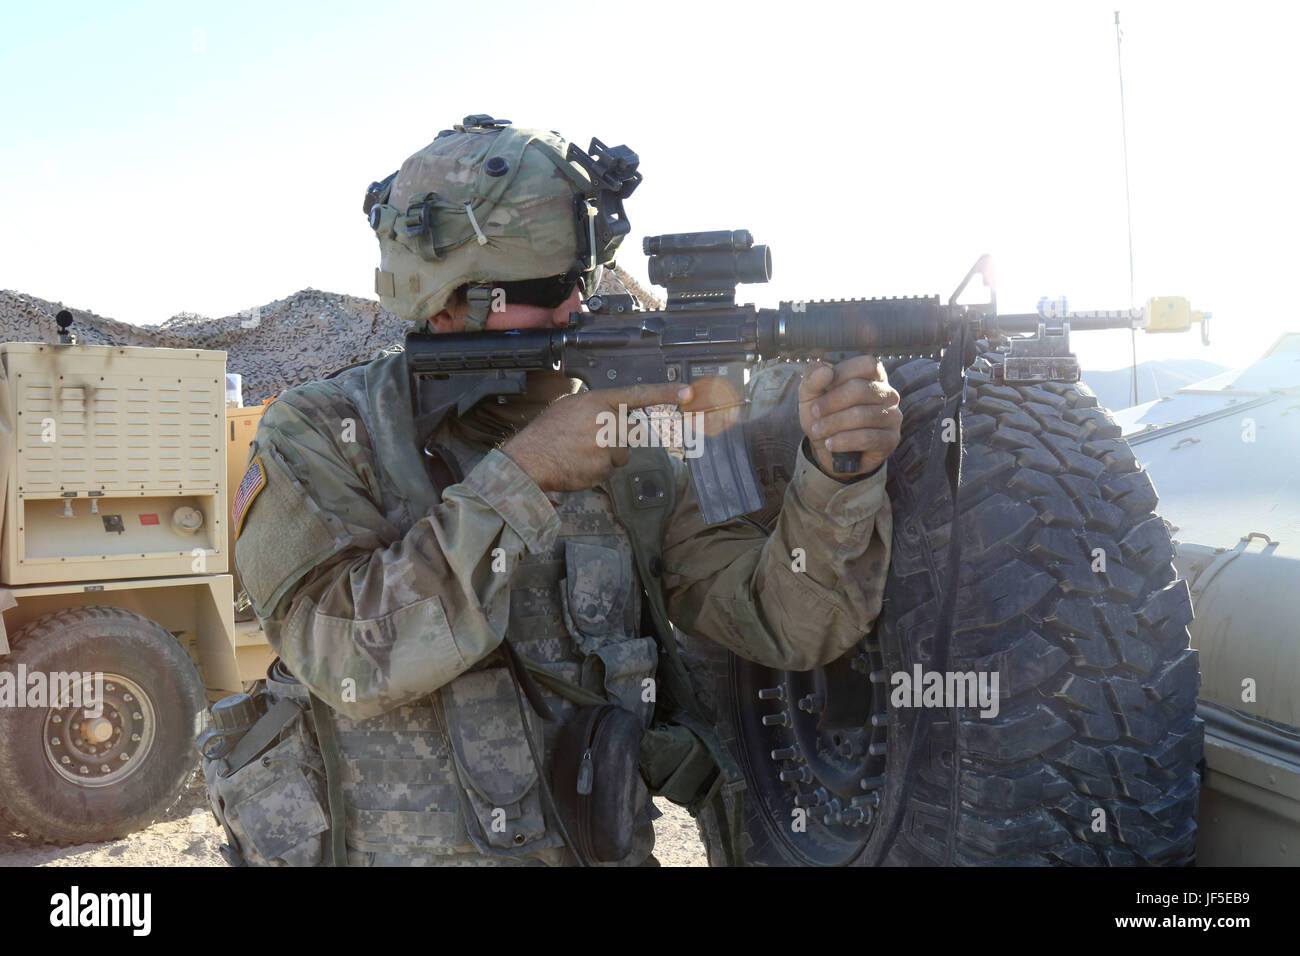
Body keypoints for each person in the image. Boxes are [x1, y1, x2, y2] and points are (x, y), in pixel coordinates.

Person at [230, 115, 901, 866]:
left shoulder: (635, 435)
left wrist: (839, 471)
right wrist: (524, 477)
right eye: (547, 289)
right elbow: (345, 659)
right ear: (447, 303)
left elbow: (783, 624)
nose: (574, 308)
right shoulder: (321, 433)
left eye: (581, 282)